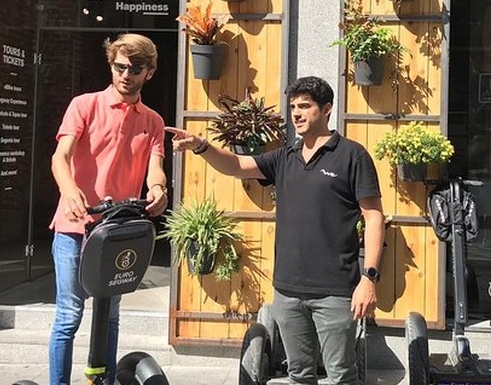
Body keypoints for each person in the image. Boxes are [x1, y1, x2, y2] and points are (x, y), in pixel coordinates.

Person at [167, 76, 385, 385]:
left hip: (336, 292)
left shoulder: (352, 155)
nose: (296, 113)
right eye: (293, 106)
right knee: (298, 375)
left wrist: (369, 278)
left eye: (305, 106)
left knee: (342, 377)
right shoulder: (285, 158)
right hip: (287, 291)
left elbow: (374, 217)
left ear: (326, 109)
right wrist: (202, 146)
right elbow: (236, 165)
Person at [48, 33, 168, 385]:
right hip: (75, 227)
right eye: (119, 66)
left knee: (110, 316)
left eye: (135, 68)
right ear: (111, 65)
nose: (125, 74)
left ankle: (102, 381)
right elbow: (61, 156)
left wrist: (158, 189)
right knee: (69, 315)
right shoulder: (84, 105)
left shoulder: (153, 121)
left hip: (116, 233)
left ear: (150, 72)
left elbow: (155, 166)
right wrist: (70, 191)